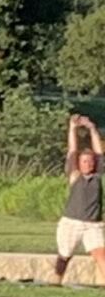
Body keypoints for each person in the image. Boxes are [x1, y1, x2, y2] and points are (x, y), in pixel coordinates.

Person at [53, 113, 102, 287]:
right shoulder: (75, 175)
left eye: (90, 161)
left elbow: (99, 152)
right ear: (79, 164)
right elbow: (72, 150)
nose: (88, 164)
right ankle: (56, 281)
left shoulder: (97, 176)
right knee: (65, 255)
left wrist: (91, 129)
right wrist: (72, 128)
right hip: (71, 222)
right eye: (84, 161)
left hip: (92, 224)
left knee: (100, 254)